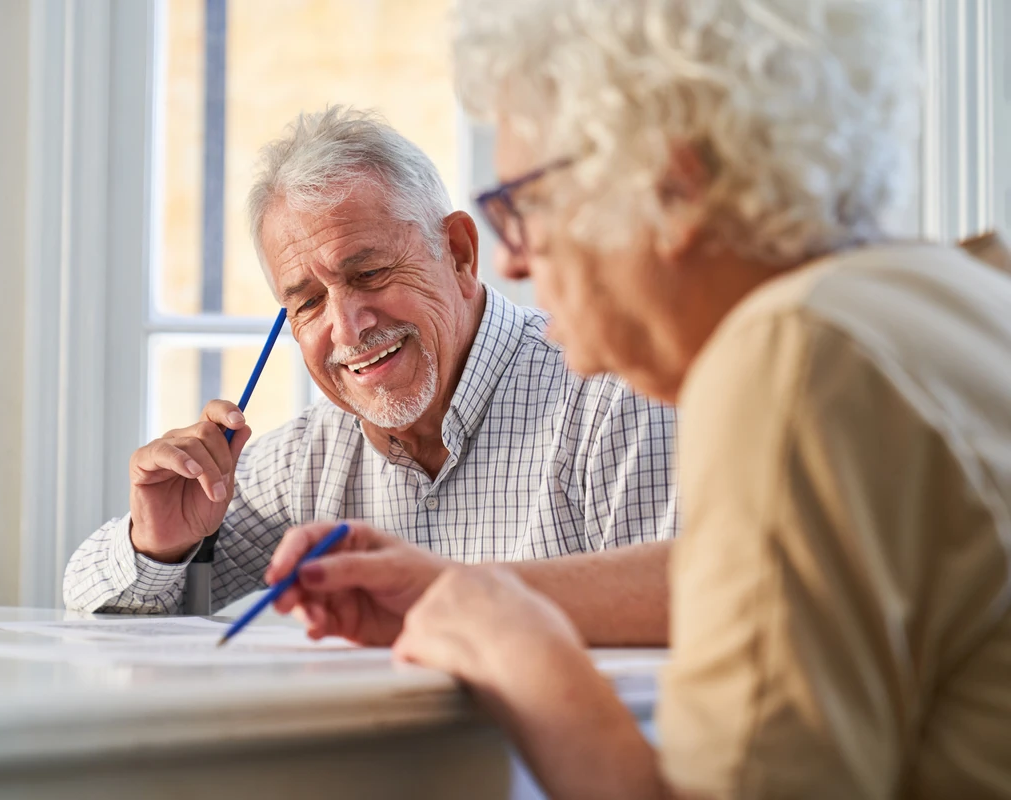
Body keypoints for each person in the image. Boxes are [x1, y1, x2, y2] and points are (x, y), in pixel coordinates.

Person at [269, 1, 1011, 797]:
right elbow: (761, 582)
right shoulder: (953, 294)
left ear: (672, 188)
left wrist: (523, 654)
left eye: (527, 206)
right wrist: (465, 591)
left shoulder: (792, 356)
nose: (514, 267)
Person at [63, 106, 677, 643]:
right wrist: (158, 544)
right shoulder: (312, 455)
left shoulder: (613, 400)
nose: (349, 328)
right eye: (306, 303)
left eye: (369, 274)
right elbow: (88, 601)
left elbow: (690, 620)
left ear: (460, 253)